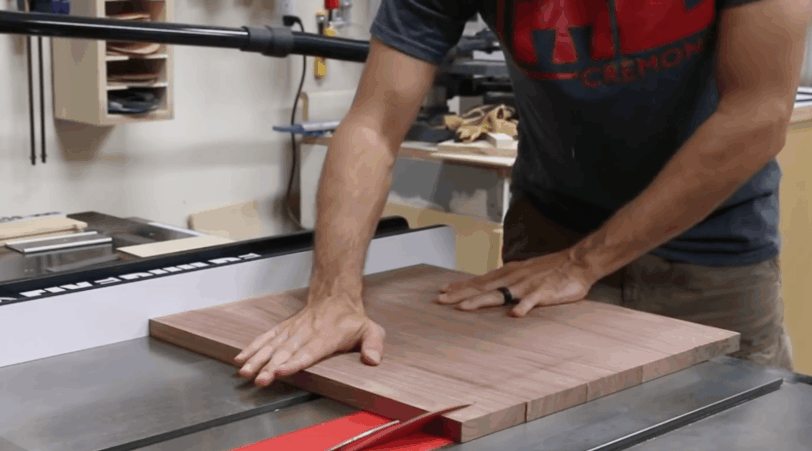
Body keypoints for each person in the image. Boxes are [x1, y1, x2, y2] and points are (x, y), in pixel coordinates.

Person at [235, 0, 811, 387]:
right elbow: (372, 124)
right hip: (550, 231)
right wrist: (334, 296)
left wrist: (585, 261)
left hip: (711, 245)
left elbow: (757, 113)